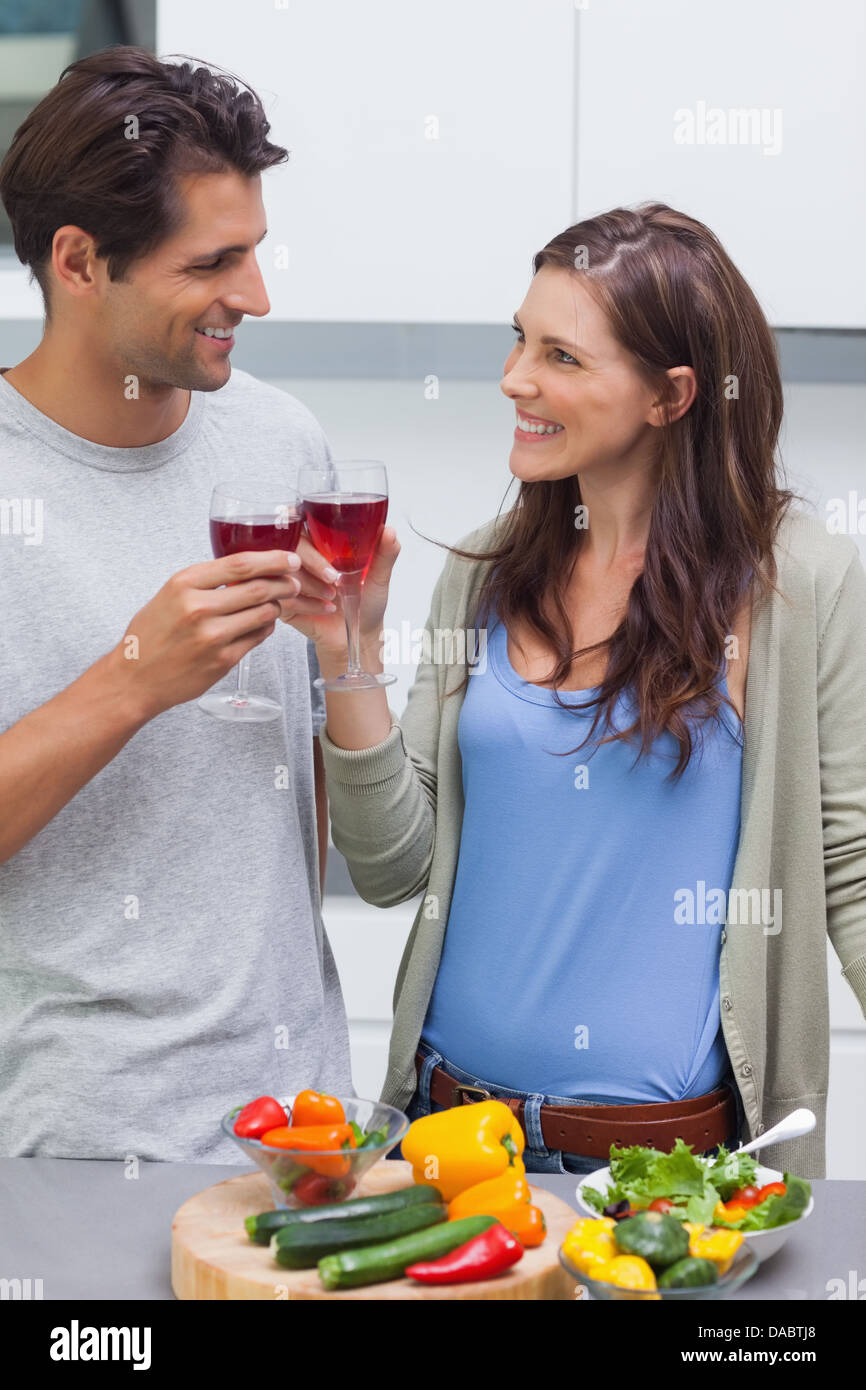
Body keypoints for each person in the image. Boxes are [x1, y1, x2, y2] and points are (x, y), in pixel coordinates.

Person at [292, 203, 866, 1181]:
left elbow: (851, 864)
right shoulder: (484, 570)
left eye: (560, 356)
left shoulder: (799, 581)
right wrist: (348, 649)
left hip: (666, 1177)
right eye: (518, 341)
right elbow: (393, 868)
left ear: (669, 394)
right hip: (446, 1148)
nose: (515, 377)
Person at [0, 47, 347, 1161]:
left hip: (304, 1122)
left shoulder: (280, 439)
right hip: (82, 1138)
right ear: (79, 260)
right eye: (215, 261)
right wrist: (130, 681)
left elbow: (298, 781)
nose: (255, 295)